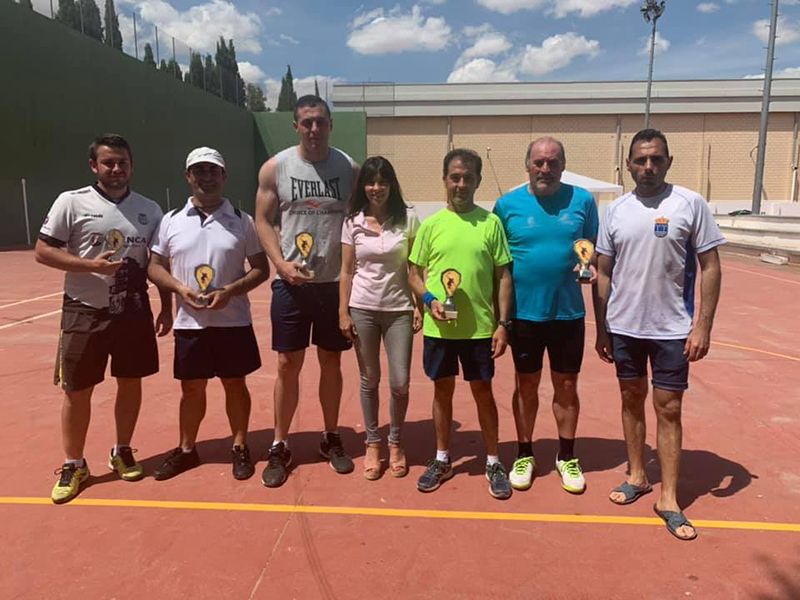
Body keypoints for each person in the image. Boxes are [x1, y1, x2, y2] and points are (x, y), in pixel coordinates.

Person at [595, 129, 725, 541]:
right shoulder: (615, 211)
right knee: (631, 399)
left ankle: (668, 498)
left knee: (668, 408)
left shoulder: (689, 203)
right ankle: (637, 475)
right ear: (628, 165)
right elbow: (602, 271)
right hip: (624, 326)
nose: (648, 167)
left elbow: (711, 266)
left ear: (668, 162)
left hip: (672, 328)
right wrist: (602, 327)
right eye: (640, 160)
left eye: (656, 159)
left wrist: (703, 325)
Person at [35, 134, 170, 504]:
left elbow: (158, 264)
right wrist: (88, 265)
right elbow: (43, 251)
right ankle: (74, 464)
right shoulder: (72, 201)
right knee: (76, 390)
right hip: (84, 309)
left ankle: (122, 450)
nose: (116, 168)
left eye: (122, 162)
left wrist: (166, 306)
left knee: (130, 382)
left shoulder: (149, 210)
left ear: (132, 165)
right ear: (94, 165)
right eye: (108, 162)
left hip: (133, 311)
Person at [254, 95, 359, 488]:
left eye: (320, 122)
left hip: (333, 285)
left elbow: (359, 220)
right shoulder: (276, 168)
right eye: (307, 122)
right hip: (291, 284)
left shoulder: (348, 168)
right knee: (287, 364)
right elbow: (263, 220)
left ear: (330, 124)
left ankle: (331, 436)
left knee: (332, 362)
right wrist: (280, 264)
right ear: (295, 126)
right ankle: (280, 443)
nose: (314, 129)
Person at [148, 147, 269, 481]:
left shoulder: (242, 221)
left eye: (213, 171)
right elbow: (155, 266)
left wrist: (230, 291)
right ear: (188, 176)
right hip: (190, 323)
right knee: (191, 388)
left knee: (235, 383)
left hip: (233, 321)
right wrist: (179, 289)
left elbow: (261, 268)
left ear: (223, 176)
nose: (206, 177)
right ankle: (187, 449)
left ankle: (240, 446)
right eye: (199, 171)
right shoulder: (170, 221)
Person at [493, 137, 599, 494]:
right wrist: (500, 320)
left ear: (563, 165)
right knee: (526, 385)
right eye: (539, 162)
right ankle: (524, 453)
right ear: (527, 165)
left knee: (566, 386)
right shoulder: (506, 205)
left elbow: (592, 249)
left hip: (568, 313)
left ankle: (566, 456)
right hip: (523, 315)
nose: (545, 169)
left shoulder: (583, 201)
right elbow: (497, 266)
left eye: (553, 162)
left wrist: (588, 266)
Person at [408, 148, 514, 500]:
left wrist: (502, 324)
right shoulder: (432, 225)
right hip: (439, 328)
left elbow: (503, 276)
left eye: (468, 177)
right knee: (442, 391)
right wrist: (429, 300)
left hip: (480, 329)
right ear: (445, 180)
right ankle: (442, 459)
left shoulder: (491, 223)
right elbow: (414, 273)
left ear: (478, 181)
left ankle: (493, 461)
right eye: (455, 177)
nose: (461, 184)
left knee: (483, 392)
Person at [339, 156, 422, 480]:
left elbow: (415, 268)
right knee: (369, 379)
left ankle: (396, 442)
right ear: (363, 186)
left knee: (400, 382)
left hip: (399, 310)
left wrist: (419, 305)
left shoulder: (408, 218)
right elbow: (347, 271)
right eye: (371, 182)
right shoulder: (353, 221)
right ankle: (373, 443)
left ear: (391, 185)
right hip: (363, 309)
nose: (376, 188)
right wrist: (343, 312)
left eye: (383, 182)